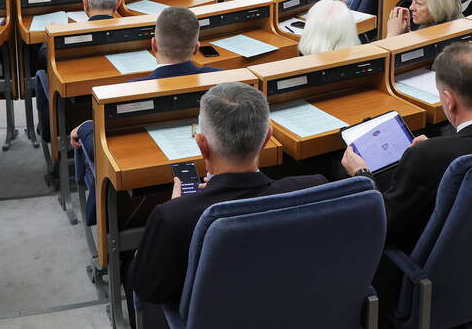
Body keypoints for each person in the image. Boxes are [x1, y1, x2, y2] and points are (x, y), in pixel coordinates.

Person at [128, 82, 327, 307]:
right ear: (267, 137)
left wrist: (178, 207)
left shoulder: (173, 218)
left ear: (201, 144)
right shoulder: (314, 190)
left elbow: (147, 288)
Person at [342, 44, 472, 257]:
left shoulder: (429, 157)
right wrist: (434, 148)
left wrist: (362, 176)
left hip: (423, 274)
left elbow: (382, 227)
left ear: (448, 100)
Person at [70, 6, 221, 163]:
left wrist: (85, 128)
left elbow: (100, 150)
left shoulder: (126, 92)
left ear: (153, 45)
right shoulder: (222, 80)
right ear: (196, 48)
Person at [34, 0, 121, 143]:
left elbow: (44, 57)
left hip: (78, 120)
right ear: (118, 3)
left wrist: (50, 36)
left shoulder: (62, 39)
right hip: (121, 121)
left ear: (85, 3)